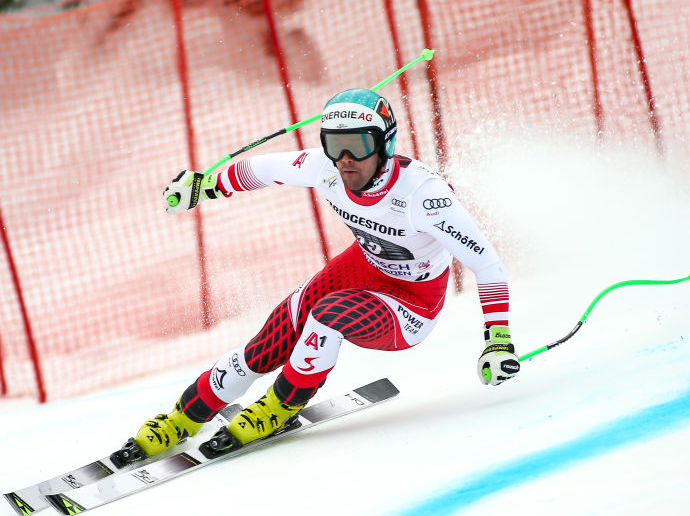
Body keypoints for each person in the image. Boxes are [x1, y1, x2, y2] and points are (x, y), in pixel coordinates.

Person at [129, 88, 519, 459]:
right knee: (273, 337)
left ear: (385, 144)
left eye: (359, 145)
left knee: (327, 315)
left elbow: (485, 264)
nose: (345, 158)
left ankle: (280, 406)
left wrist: (497, 340)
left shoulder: (425, 196)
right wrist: (206, 186)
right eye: (334, 145)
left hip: (411, 305)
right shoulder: (327, 168)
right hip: (364, 268)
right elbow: (263, 169)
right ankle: (185, 416)